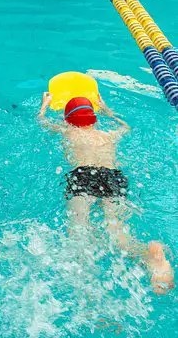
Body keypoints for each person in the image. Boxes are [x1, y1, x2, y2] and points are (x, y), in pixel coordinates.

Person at [38, 92, 174, 294]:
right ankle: (148, 255)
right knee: (118, 235)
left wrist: (45, 105)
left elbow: (42, 122)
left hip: (84, 175)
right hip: (113, 177)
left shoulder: (69, 132)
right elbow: (126, 127)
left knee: (78, 232)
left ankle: (88, 290)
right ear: (94, 119)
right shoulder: (108, 135)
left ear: (68, 120)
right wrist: (107, 110)